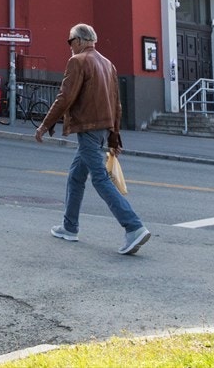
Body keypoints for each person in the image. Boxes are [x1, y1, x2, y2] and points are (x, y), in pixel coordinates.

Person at [34, 23, 150, 255]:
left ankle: (133, 226)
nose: (69, 46)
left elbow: (64, 97)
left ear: (79, 40)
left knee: (100, 178)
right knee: (76, 176)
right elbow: (117, 104)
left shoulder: (78, 61)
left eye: (70, 41)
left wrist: (45, 125)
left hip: (88, 128)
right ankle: (69, 227)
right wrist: (115, 138)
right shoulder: (108, 64)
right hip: (103, 128)